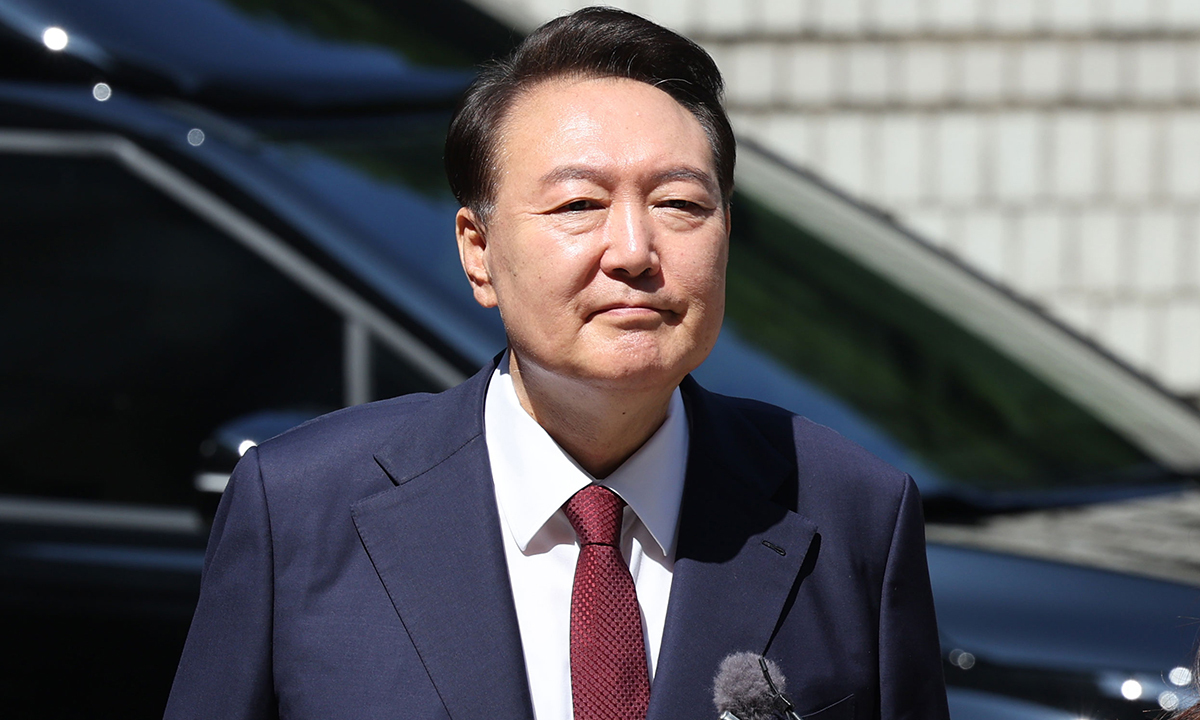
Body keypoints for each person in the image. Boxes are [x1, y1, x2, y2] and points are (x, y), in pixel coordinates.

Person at [163, 7, 949, 720]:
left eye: (680, 204)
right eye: (579, 205)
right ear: (479, 251)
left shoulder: (853, 513)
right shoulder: (299, 510)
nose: (634, 251)